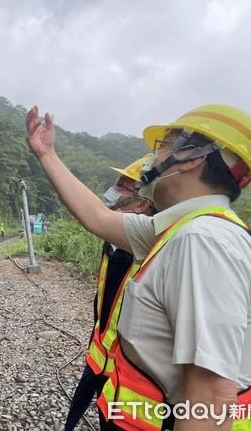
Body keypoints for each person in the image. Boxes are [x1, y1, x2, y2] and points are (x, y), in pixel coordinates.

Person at [25, 104, 251, 431]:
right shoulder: (179, 231)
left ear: (191, 156)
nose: (152, 160)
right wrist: (47, 154)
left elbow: (212, 395)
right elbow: (99, 217)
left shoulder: (202, 241)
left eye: (161, 148)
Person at [65, 154, 156, 431]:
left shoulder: (150, 256)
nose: (114, 190)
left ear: (141, 203)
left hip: (125, 376)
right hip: (98, 358)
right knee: (74, 415)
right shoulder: (111, 245)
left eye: (123, 185)